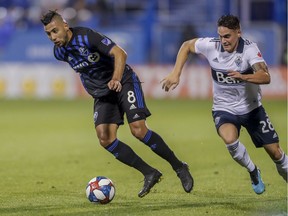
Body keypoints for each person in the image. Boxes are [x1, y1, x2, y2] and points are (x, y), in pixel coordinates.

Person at [40, 10, 193, 198]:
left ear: (65, 26)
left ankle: (179, 167)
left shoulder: (86, 37)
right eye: (48, 34)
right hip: (104, 95)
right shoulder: (59, 53)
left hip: (123, 81)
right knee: (105, 138)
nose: (52, 37)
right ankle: (150, 172)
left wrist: (116, 78)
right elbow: (85, 69)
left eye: (55, 31)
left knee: (138, 130)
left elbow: (120, 53)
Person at [161, 14, 287, 195]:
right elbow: (186, 46)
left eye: (227, 36)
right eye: (220, 36)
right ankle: (253, 171)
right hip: (224, 107)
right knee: (230, 140)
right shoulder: (212, 46)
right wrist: (176, 73)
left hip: (252, 109)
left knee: (276, 154)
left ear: (238, 33)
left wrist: (243, 76)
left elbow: (265, 76)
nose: (223, 41)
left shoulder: (249, 50)